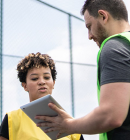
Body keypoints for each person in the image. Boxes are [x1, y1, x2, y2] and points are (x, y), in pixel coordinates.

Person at [34, 0, 130, 140]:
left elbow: (111, 116)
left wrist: (68, 125)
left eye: (89, 26)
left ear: (103, 16)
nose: (89, 36)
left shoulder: (114, 47)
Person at [0, 52, 84, 140]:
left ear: (53, 83)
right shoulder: (11, 120)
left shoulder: (72, 125)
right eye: (35, 78)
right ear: (25, 86)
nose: (42, 82)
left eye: (47, 77)